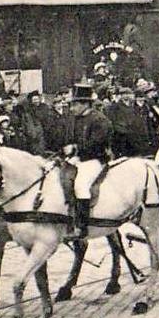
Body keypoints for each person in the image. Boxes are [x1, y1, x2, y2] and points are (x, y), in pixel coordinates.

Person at [61, 83, 113, 240]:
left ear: (85, 104)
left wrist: (75, 149)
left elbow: (97, 144)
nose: (72, 108)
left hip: (95, 159)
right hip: (79, 158)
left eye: (75, 104)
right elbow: (69, 139)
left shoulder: (100, 120)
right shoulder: (76, 119)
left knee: (81, 185)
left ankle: (82, 226)